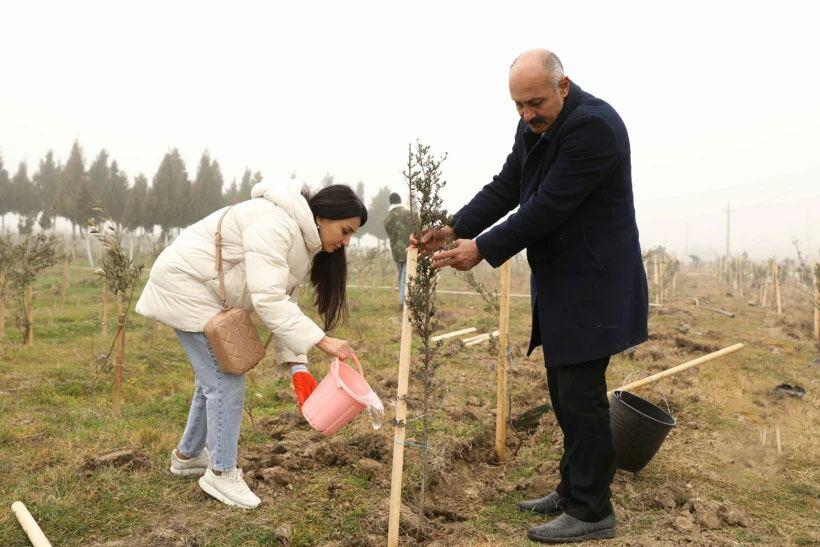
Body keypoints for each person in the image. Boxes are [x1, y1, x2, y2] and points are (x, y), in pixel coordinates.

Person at [416, 49, 648, 543]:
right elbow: (508, 186)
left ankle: (592, 511)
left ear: (563, 85)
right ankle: (572, 489)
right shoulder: (537, 127)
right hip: (563, 282)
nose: (526, 114)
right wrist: (455, 227)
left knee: (581, 398)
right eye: (518, 105)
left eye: (535, 102)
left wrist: (482, 247)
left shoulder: (594, 128)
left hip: (595, 284)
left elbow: (547, 206)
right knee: (565, 394)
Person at [135, 181, 367, 509]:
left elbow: (286, 299)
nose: (346, 242)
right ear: (324, 217)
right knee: (226, 377)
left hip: (206, 291)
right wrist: (322, 340)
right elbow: (269, 299)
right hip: (186, 285)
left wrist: (298, 365)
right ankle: (221, 472)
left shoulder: (301, 240)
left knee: (212, 378)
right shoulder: (277, 224)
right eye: (345, 231)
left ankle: (188, 456)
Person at [383, 192, 413, 306]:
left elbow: (389, 232)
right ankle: (403, 301)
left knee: (402, 275)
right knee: (405, 276)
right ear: (400, 201)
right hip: (410, 248)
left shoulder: (388, 218)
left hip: (396, 251)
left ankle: (403, 300)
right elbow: (418, 224)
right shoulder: (409, 214)